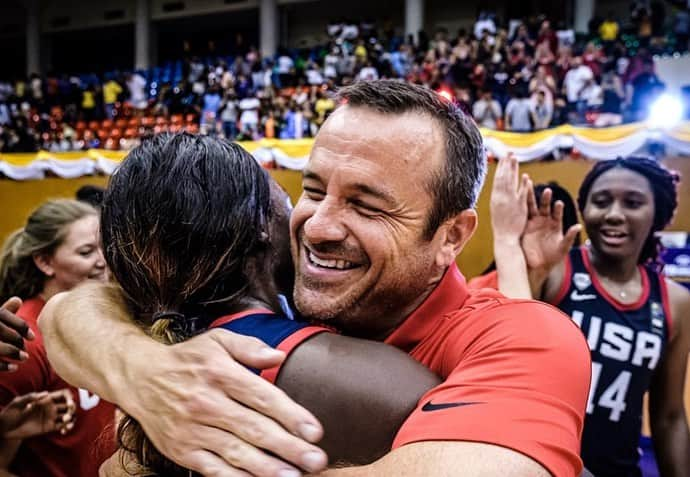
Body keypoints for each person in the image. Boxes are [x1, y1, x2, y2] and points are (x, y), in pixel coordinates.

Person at [40, 81, 591, 477]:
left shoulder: (522, 337)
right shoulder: (296, 299)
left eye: (367, 205)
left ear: (451, 235)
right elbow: (71, 310)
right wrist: (144, 369)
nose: (319, 226)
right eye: (313, 189)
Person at [94, 132, 440, 476]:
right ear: (261, 224)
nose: (314, 229)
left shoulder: (141, 355)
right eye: (292, 203)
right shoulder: (365, 379)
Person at [490, 156, 690, 476]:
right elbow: (502, 351)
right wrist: (529, 268)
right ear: (585, 210)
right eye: (601, 202)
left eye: (633, 203)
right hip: (538, 465)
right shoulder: (555, 269)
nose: (613, 214)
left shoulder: (674, 301)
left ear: (658, 213)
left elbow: (669, 416)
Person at [0, 199, 116, 476]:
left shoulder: (104, 319)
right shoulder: (23, 340)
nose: (102, 261)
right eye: (87, 252)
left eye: (104, 247)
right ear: (44, 262)